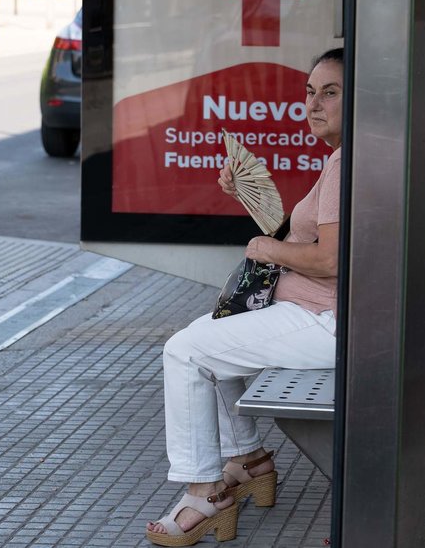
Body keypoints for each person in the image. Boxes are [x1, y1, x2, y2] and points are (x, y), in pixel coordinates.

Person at [145, 48, 343, 546]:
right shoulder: (344, 159)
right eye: (309, 92)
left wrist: (264, 246)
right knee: (201, 338)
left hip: (326, 320)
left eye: (331, 92)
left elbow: (331, 262)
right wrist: (251, 205)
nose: (313, 104)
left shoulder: (347, 163)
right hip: (315, 309)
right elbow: (309, 243)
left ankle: (204, 494)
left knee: (184, 350)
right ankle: (249, 460)